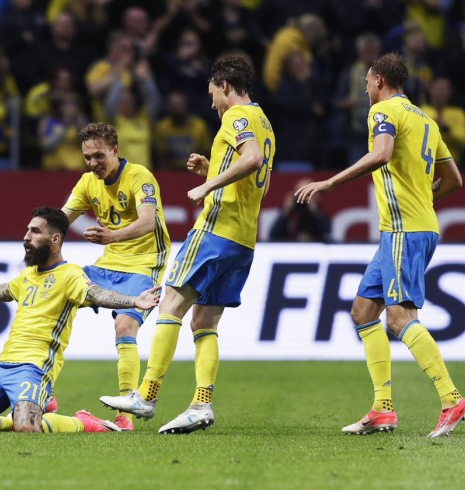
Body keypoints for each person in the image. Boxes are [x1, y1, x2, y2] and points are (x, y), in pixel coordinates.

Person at [294, 53, 465, 438]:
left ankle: (450, 398)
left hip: (404, 230)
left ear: (377, 80)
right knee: (362, 312)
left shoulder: (383, 111)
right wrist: (424, 200)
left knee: (398, 318)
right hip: (409, 227)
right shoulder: (426, 119)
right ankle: (382, 409)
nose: (365, 88)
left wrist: (327, 183)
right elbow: (454, 180)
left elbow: (381, 154)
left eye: (366, 82)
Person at [100, 56, 275, 435]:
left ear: (225, 86)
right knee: (204, 321)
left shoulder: (236, 117)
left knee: (171, 303)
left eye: (213, 94)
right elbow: (253, 167)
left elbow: (252, 158)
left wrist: (209, 184)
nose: (212, 103)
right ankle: (201, 404)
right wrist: (212, 167)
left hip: (215, 230)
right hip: (244, 238)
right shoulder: (264, 122)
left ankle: (146, 395)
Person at [0, 206, 160, 433]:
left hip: (34, 369)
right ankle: (11, 418)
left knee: (27, 428)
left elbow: (97, 294)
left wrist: (133, 301)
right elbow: (5, 291)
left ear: (54, 239)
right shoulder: (27, 275)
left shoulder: (70, 274)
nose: (26, 237)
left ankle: (84, 422)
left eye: (35, 231)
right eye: (27, 231)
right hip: (0, 367)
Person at [62, 122, 171, 431]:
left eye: (99, 156)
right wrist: (41, 230)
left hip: (143, 265)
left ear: (115, 150)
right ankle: (44, 394)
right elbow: (61, 219)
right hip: (107, 265)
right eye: (87, 158)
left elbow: (148, 222)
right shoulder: (87, 183)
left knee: (124, 325)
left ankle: (125, 416)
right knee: (55, 293)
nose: (93, 164)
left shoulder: (140, 176)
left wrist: (112, 236)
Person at [269, 177, 330, 243]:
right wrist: (285, 212)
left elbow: (326, 235)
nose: (303, 198)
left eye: (307, 194)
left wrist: (314, 211)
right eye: (300, 193)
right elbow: (273, 236)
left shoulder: (320, 214)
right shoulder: (289, 214)